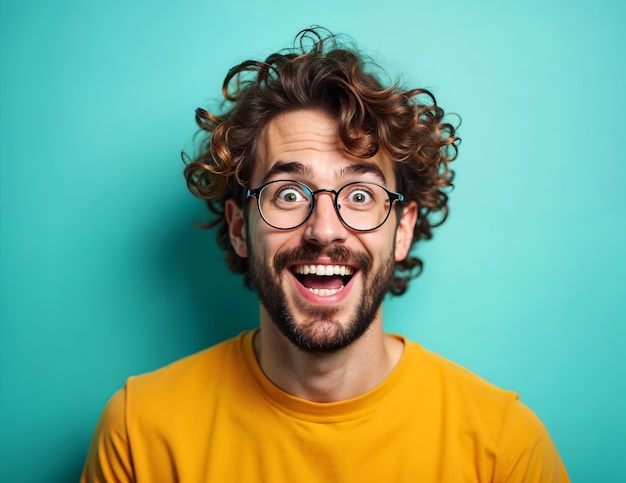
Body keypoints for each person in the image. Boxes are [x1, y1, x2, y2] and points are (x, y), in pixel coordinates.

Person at [81, 28, 569, 482]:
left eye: (360, 195)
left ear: (402, 230)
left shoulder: (505, 450)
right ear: (239, 228)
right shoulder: (139, 436)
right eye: (289, 194)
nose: (324, 229)